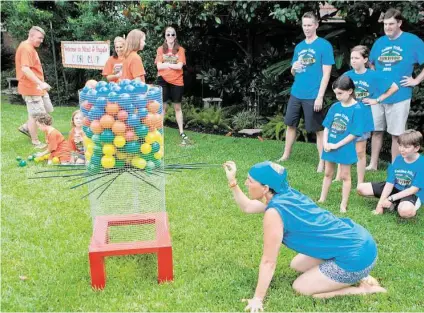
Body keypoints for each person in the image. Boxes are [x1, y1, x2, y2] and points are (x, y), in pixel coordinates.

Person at [223, 160, 385, 312]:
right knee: (297, 264)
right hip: (362, 240)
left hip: (357, 256)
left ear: (265, 188)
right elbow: (248, 207)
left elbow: (268, 261)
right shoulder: (284, 193)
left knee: (301, 287)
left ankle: (363, 288)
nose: (246, 183)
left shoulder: (275, 212)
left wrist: (257, 298)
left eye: (250, 181)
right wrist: (233, 182)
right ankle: (352, 271)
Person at [333, 45, 399, 186]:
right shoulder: (346, 76)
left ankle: (360, 182)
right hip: (347, 118)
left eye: (357, 58)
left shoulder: (373, 75)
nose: (353, 61)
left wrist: (377, 100)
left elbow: (394, 87)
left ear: (365, 59)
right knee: (343, 146)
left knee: (360, 151)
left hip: (363, 119)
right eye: (352, 58)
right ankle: (339, 176)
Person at [367, 8, 424, 169]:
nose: (388, 27)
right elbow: (371, 63)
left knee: (396, 134)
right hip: (378, 95)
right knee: (376, 131)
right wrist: (375, 77)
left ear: (399, 23)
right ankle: (373, 164)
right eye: (385, 24)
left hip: (400, 95)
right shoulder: (380, 42)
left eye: (391, 24)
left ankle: (395, 165)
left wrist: (416, 80)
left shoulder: (412, 41)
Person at [278, 12, 334, 172]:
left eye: (310, 25)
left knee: (318, 130)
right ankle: (286, 155)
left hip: (313, 95)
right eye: (304, 25)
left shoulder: (324, 46)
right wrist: (293, 68)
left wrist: (320, 97)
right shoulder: (300, 47)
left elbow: (326, 74)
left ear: (316, 25)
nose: (307, 28)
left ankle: (322, 162)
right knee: (290, 125)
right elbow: (294, 72)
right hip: (296, 93)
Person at [318, 76, 366, 212]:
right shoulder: (335, 106)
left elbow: (354, 133)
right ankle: (322, 198)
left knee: (345, 176)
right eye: (335, 94)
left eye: (340, 93)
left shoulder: (357, 109)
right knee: (328, 173)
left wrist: (337, 145)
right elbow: (327, 126)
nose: (337, 96)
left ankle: (343, 205)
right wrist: (326, 142)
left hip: (344, 147)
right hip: (330, 145)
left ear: (350, 91)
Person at [357, 130, 423, 218]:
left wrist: (390, 198)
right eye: (400, 146)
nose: (402, 149)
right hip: (396, 188)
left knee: (405, 212)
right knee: (361, 188)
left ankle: (398, 204)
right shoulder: (398, 159)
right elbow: (389, 183)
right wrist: (380, 204)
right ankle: (395, 203)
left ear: (416, 148)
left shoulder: (421, 163)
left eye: (406, 147)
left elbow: (413, 189)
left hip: (411, 193)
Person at [15, 26, 53, 149]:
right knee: (36, 115)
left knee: (47, 109)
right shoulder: (26, 48)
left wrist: (40, 85)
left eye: (42, 38)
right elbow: (25, 69)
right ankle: (35, 141)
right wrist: (40, 83)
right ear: (31, 36)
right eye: (39, 38)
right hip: (30, 87)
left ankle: (26, 127)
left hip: (37, 88)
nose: (41, 41)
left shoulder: (30, 47)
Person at [155, 26, 189, 145]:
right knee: (162, 108)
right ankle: (159, 131)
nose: (170, 36)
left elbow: (180, 66)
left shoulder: (180, 49)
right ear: (165, 36)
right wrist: (172, 64)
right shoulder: (160, 49)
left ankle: (181, 131)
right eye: (168, 34)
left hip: (177, 81)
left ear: (175, 36)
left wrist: (166, 63)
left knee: (177, 107)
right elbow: (159, 66)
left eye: (172, 34)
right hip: (162, 80)